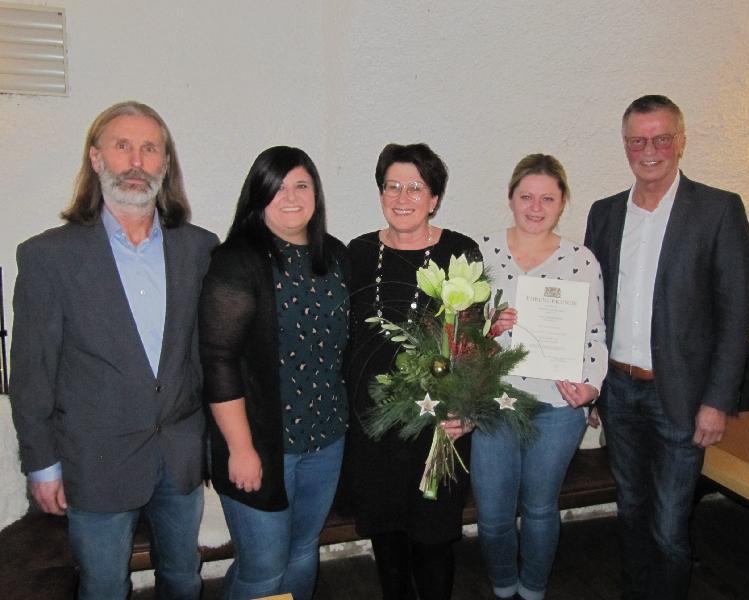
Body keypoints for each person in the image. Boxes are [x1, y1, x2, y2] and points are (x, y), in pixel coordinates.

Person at [9, 101, 218, 600]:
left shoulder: (199, 249)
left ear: (165, 165)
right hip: (94, 459)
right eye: (122, 146)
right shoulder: (48, 257)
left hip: (179, 453)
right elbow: (32, 372)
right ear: (96, 159)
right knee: (103, 586)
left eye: (150, 149)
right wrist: (41, 465)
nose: (136, 161)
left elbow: (205, 356)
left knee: (184, 579)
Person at [584, 94, 749, 600]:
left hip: (681, 399)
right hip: (619, 392)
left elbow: (735, 314)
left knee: (668, 526)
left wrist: (718, 401)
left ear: (681, 141)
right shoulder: (606, 213)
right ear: (625, 146)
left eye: (661, 138)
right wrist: (593, 385)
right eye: (638, 140)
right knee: (631, 512)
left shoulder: (718, 210)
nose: (650, 150)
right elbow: (592, 308)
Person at [199, 146, 349, 600]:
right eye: (277, 187)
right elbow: (219, 360)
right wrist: (240, 448)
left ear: (315, 194)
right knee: (264, 569)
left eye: (301, 185)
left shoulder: (336, 256)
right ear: (257, 196)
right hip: (263, 444)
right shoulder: (237, 260)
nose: (290, 197)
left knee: (303, 551)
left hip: (326, 438)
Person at [471, 154, 608, 600]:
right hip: (493, 402)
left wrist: (591, 387)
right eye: (526, 196)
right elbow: (454, 328)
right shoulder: (482, 251)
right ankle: (503, 585)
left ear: (562, 202)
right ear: (510, 198)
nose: (535, 206)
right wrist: (487, 327)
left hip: (557, 406)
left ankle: (533, 589)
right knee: (492, 515)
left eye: (547, 198)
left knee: (539, 508)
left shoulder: (580, 260)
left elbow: (594, 332)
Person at [345, 143, 477, 600]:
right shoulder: (357, 254)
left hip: (440, 427)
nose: (402, 197)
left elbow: (475, 344)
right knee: (387, 540)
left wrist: (469, 409)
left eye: (415, 187)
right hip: (374, 428)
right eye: (391, 186)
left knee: (434, 542)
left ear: (435, 197)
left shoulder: (461, 252)